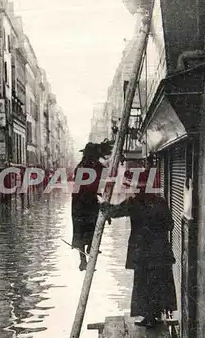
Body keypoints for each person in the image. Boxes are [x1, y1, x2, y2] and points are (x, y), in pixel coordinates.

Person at [100, 169, 177, 327]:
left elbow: (114, 212)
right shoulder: (160, 202)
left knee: (143, 283)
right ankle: (153, 317)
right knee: (157, 282)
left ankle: (149, 318)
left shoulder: (134, 202)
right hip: (160, 251)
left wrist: (103, 205)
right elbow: (170, 224)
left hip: (143, 252)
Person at [71, 140, 113, 271]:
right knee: (88, 228)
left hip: (78, 203)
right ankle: (87, 253)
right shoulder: (92, 167)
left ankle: (83, 259)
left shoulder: (81, 166)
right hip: (86, 202)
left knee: (80, 230)